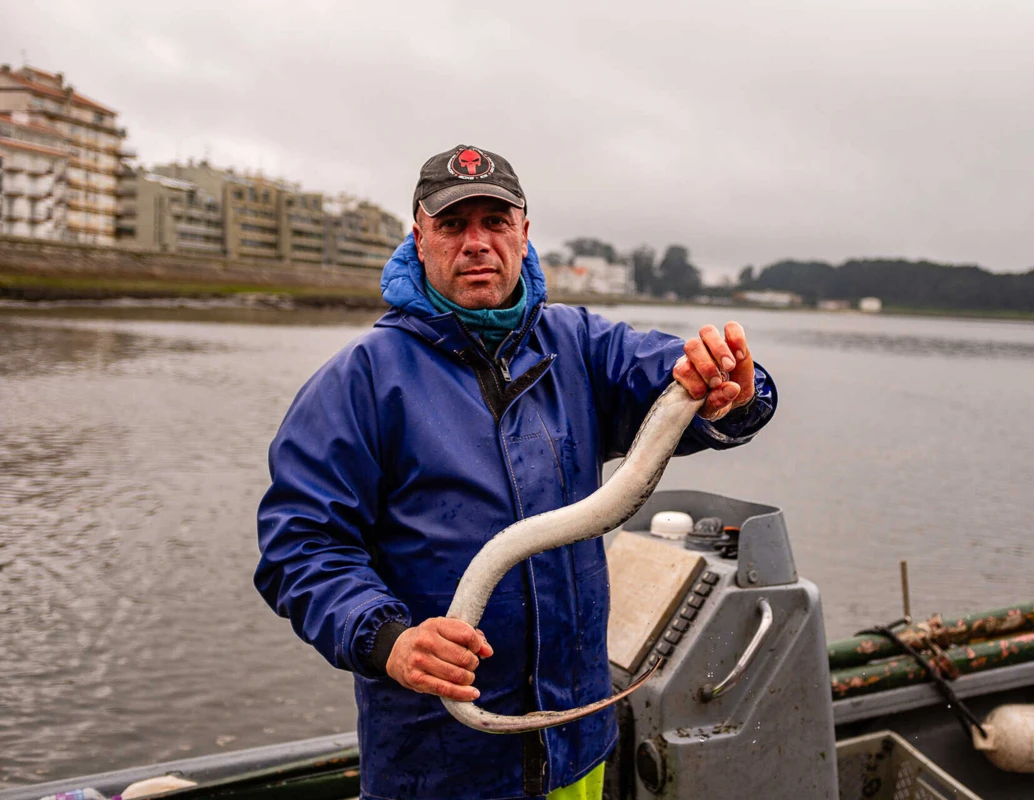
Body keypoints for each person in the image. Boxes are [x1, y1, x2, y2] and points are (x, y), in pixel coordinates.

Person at [255, 145, 778, 800]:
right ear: (420, 239)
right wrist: (388, 639)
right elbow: (300, 547)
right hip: (436, 769)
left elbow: (674, 376)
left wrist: (732, 385)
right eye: (454, 224)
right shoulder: (360, 380)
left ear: (524, 232)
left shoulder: (582, 346)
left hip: (577, 748)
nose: (477, 243)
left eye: (495, 221)